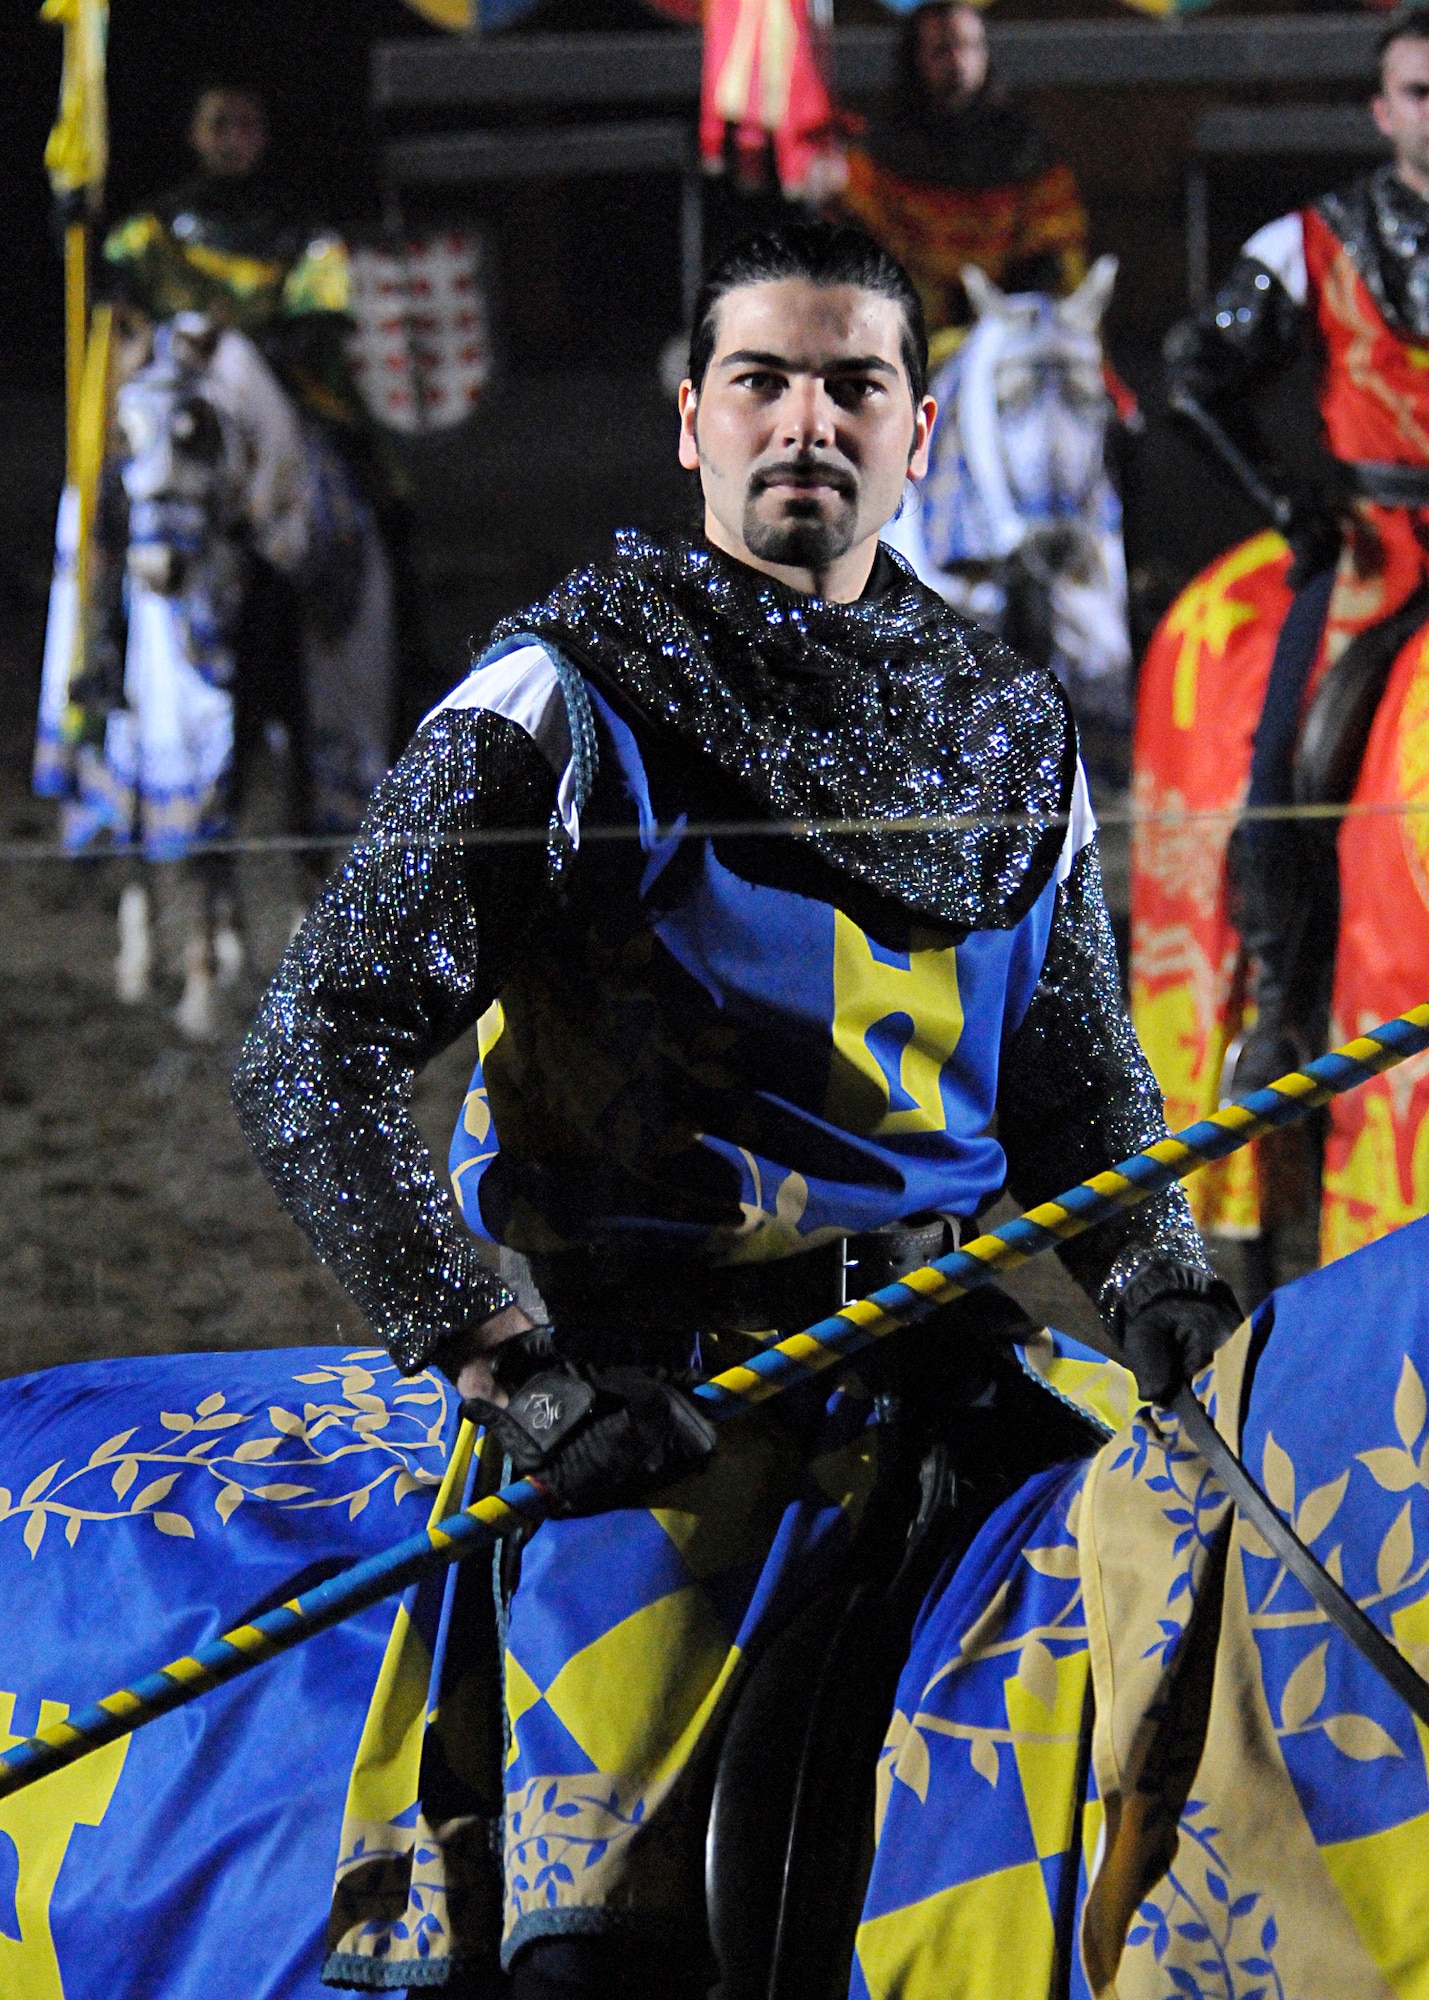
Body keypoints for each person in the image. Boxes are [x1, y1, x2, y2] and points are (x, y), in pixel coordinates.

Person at [233, 223, 1236, 1997]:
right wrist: (496, 1356)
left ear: (914, 435)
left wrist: (1151, 1265)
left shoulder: (1012, 729)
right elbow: (308, 1043)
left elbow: (1074, 1080)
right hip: (659, 1414)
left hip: (956, 1373)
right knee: (587, 1960)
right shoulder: (557, 700)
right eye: (760, 381)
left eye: (852, 384)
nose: (805, 422)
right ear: (689, 422)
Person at [1163, 7, 1429, 1091]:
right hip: (1378, 543)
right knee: (1290, 760)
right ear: (1381, 109)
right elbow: (1194, 373)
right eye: (1420, 92)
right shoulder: (1310, 241)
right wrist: (1282, 497)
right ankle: (1281, 1005)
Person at [837, 2, 1088, 343]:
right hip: (910, 333)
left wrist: (1009, 310)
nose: (958, 61)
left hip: (1015, 329)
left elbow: (1053, 249)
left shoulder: (1027, 148)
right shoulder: (880, 156)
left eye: (970, 46)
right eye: (942, 50)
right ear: (915, 60)